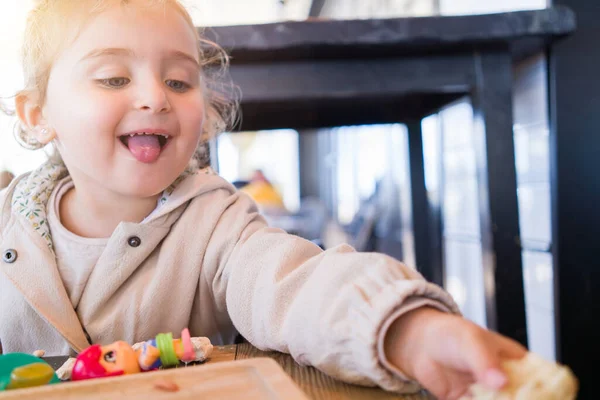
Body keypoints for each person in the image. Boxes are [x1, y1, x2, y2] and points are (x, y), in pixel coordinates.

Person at [0, 1, 525, 399]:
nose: (155, 97)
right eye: (114, 77)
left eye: (179, 80)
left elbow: (297, 285)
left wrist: (404, 330)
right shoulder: (7, 220)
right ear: (37, 114)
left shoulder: (216, 223)